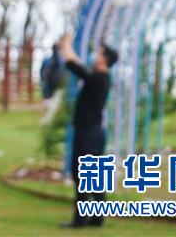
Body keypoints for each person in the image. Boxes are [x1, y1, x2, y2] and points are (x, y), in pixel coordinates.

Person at [58, 34, 118, 229]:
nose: (95, 56)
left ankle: (80, 219)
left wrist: (66, 46)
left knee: (82, 175)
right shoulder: (101, 78)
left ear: (105, 59)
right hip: (94, 133)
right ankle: (96, 217)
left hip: (88, 134)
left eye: (99, 53)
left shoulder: (99, 78)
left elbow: (74, 66)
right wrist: (68, 50)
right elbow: (80, 66)